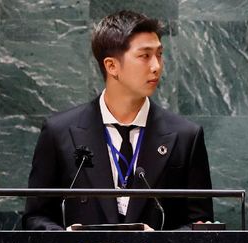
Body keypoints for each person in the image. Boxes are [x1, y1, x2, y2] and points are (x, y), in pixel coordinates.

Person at [23, 10, 213, 230]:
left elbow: (201, 226)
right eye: (145, 56)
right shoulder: (59, 132)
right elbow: (35, 218)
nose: (157, 66)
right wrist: (68, 240)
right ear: (112, 66)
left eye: (159, 54)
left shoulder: (186, 136)